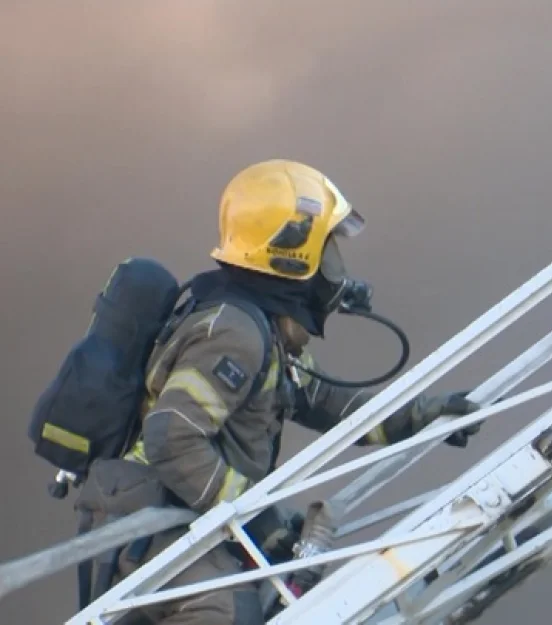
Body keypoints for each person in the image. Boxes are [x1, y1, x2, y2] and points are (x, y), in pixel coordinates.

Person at [73, 160, 481, 625]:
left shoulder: (264, 331)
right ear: (292, 253)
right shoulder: (235, 333)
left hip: (180, 512)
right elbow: (172, 436)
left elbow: (327, 402)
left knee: (298, 597)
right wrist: (251, 518)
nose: (337, 271)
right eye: (328, 251)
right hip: (146, 516)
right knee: (228, 609)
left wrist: (422, 416)